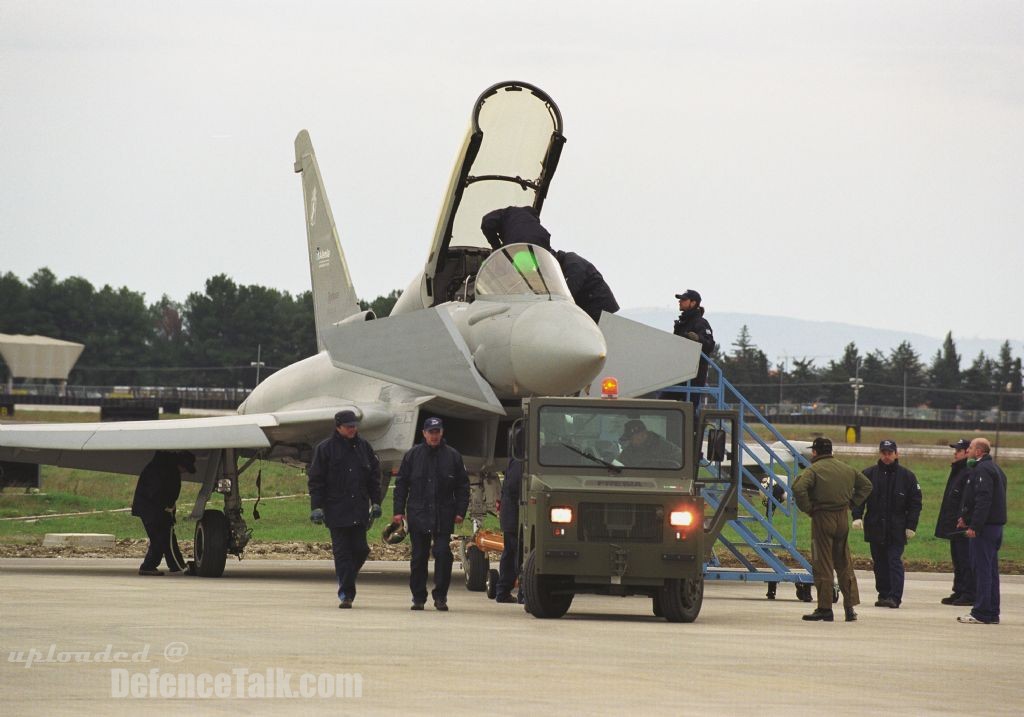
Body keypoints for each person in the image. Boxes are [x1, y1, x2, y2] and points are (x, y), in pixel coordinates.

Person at [479, 205, 619, 323]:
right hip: (537, 244)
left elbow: (563, 299)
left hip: (600, 313)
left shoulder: (574, 265)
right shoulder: (531, 224)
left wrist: (497, 248)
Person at [392, 417, 470, 611]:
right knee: (418, 557)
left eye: (437, 432)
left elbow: (463, 485)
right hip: (418, 514)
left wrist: (461, 511)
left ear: (441, 433)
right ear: (424, 433)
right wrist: (398, 511)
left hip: (444, 514)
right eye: (431, 432)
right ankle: (418, 597)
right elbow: (401, 484)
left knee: (443, 554)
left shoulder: (453, 456)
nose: (434, 435)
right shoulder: (412, 455)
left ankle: (440, 596)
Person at [307, 410, 382, 609]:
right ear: (338, 427)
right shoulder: (325, 449)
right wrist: (316, 507)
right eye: (349, 426)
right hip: (336, 510)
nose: (353, 429)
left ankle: (346, 577)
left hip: (358, 508)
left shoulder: (364, 448)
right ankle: (347, 594)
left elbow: (373, 478)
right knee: (342, 553)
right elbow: (316, 481)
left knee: (361, 549)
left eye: (354, 426)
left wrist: (376, 502)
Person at [792, 437, 872, 622]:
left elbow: (799, 488)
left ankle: (824, 608)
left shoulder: (814, 470)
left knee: (823, 563)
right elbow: (867, 485)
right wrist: (852, 503)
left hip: (822, 518)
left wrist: (808, 508)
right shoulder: (846, 468)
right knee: (844, 563)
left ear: (815, 452)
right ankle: (850, 608)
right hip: (842, 518)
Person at [852, 439, 922, 609]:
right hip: (875, 526)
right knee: (879, 562)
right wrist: (857, 516)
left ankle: (894, 596)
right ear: (880, 453)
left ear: (896, 454)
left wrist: (911, 526)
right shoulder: (868, 474)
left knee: (893, 561)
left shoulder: (907, 476)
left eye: (890, 453)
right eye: (884, 453)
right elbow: (858, 497)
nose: (887, 456)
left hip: (896, 528)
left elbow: (915, 503)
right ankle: (883, 593)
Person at [956, 437, 1007, 625]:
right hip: (995, 526)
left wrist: (974, 526)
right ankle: (992, 611)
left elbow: (983, 499)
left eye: (970, 448)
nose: (967, 451)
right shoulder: (996, 469)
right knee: (991, 570)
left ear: (979, 452)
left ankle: (982, 612)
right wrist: (967, 518)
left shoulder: (982, 470)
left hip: (985, 528)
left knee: (982, 570)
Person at [132, 450, 194, 576]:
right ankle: (148, 566)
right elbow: (155, 492)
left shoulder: (165, 469)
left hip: (155, 508)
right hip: (152, 509)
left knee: (168, 537)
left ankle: (176, 564)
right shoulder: (163, 471)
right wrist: (165, 507)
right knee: (159, 538)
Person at [934, 439, 974, 606]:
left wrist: (965, 519)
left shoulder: (968, 471)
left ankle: (969, 593)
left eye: (958, 450)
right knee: (957, 559)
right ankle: (958, 590)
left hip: (962, 525)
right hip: (954, 525)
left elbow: (968, 500)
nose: (955, 453)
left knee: (965, 559)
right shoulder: (957, 470)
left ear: (966, 452)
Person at [669, 290, 715, 408]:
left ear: (693, 303)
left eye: (684, 299)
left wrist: (698, 338)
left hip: (694, 376)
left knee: (690, 411)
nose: (680, 302)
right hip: (679, 374)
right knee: (666, 406)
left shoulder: (701, 323)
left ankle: (695, 425)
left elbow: (710, 345)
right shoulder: (682, 323)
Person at [494, 427, 524, 604]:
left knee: (511, 553)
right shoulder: (521, 463)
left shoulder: (515, 461)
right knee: (516, 554)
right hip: (515, 516)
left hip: (511, 515)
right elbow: (514, 489)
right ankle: (517, 591)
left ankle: (504, 590)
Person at [617, 419, 681, 468]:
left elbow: (681, 461)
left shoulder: (665, 447)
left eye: (632, 438)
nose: (631, 441)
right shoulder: (629, 451)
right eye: (629, 439)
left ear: (643, 435)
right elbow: (621, 466)